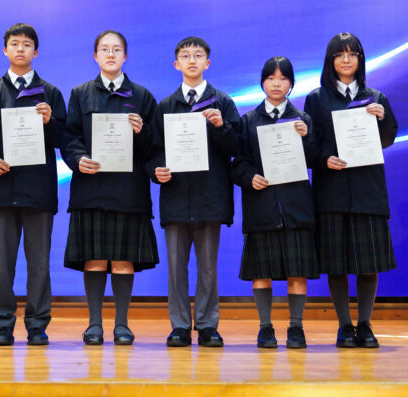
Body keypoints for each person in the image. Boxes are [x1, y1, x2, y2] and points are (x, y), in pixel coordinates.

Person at [60, 30, 160, 346]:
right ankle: (93, 324)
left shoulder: (142, 96)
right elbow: (69, 137)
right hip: (90, 188)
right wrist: (79, 159)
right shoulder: (80, 93)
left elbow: (154, 146)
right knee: (93, 258)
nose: (111, 54)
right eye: (104, 49)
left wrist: (142, 132)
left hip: (129, 190)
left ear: (125, 56)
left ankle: (121, 325)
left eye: (117, 49)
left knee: (122, 259)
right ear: (95, 56)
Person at [0, 23, 66, 347]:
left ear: (36, 52)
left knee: (39, 264)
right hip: (0, 190)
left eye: (27, 44)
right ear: (5, 50)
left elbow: (64, 139)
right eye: (14, 43)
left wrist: (50, 122)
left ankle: (37, 325)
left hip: (38, 190)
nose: (20, 49)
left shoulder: (50, 93)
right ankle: (2, 325)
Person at [304, 33, 398, 348]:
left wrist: (382, 119)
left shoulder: (376, 97)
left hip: (368, 190)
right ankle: (344, 325)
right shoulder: (317, 98)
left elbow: (387, 139)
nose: (346, 60)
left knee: (368, 263)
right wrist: (323, 159)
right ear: (330, 61)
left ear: (360, 59)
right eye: (339, 54)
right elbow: (310, 144)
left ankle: (365, 324)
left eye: (352, 54)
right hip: (331, 191)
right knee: (337, 262)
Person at [152, 37, 240, 348]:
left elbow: (237, 147)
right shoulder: (166, 105)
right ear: (176, 64)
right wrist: (156, 169)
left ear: (207, 63)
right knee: (176, 268)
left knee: (208, 268)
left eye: (198, 55)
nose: (192, 60)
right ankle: (179, 325)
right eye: (186, 56)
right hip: (175, 196)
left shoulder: (223, 102)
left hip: (210, 197)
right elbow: (153, 150)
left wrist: (221, 127)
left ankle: (207, 325)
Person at [230, 56, 319, 349]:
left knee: (297, 272)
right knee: (261, 273)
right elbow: (237, 164)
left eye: (283, 78)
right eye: (271, 78)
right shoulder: (248, 121)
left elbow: (315, 159)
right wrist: (250, 177)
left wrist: (307, 138)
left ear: (291, 83)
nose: (276, 83)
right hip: (262, 207)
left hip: (296, 208)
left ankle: (296, 327)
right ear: (262, 83)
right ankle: (265, 328)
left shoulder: (302, 119)